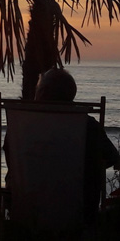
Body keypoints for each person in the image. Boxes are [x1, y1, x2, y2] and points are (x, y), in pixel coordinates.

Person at [8, 68, 120, 224]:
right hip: (78, 212)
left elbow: (12, 161)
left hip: (28, 210)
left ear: (42, 94)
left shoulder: (21, 127)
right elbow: (112, 158)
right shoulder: (88, 126)